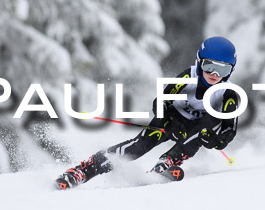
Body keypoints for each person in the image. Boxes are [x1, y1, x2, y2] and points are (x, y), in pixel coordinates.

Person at [55, 36, 240, 190]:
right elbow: (160, 102)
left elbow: (229, 129)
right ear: (199, 62)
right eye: (209, 66)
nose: (215, 74)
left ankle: (168, 161)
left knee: (204, 128)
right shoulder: (187, 77)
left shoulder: (230, 93)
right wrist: (169, 121)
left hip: (198, 128)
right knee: (139, 145)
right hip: (171, 119)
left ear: (230, 71)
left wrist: (217, 141)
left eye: (223, 69)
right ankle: (84, 170)